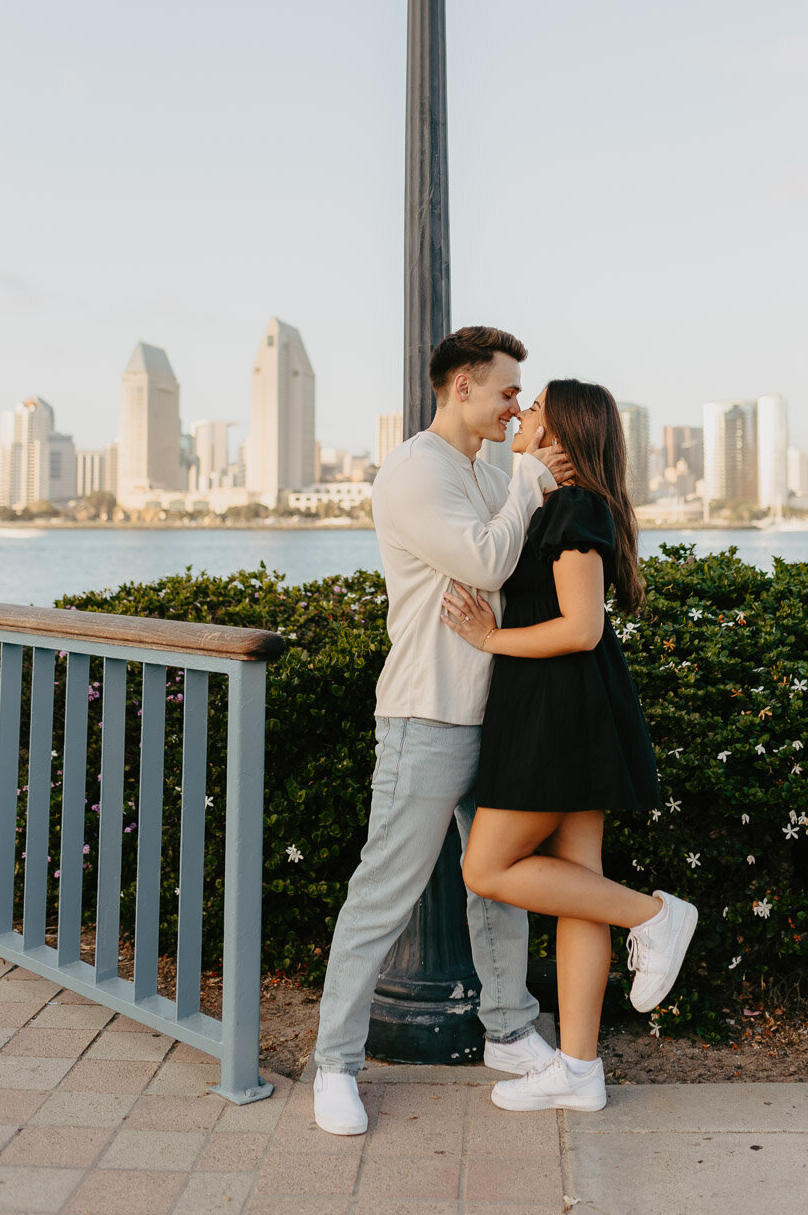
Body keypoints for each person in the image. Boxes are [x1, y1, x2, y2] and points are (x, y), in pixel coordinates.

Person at [312, 326, 574, 1135]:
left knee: (496, 883)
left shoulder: (484, 467)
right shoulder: (415, 470)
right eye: (504, 390)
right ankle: (335, 1066)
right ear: (460, 385)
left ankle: (508, 1031)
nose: (515, 405)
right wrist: (530, 479)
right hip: (426, 714)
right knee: (381, 894)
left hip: (494, 712)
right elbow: (487, 564)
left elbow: (516, 565)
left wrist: (529, 480)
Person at [440, 379, 697, 1113]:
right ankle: (579, 1073)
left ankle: (654, 915)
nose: (520, 414)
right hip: (562, 706)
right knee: (579, 886)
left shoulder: (575, 508)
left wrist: (489, 638)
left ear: (560, 433)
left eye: (535, 407)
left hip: (558, 710)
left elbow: (580, 627)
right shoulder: (553, 502)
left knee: (486, 867)